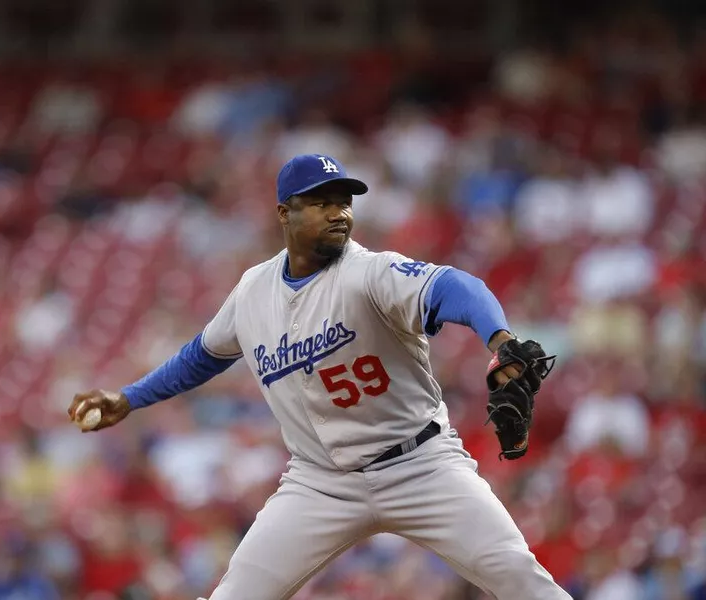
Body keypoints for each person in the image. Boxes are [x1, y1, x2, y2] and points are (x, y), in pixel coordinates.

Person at [68, 154, 572, 599]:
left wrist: (501, 341)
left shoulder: (369, 273)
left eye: (344, 201)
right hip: (320, 483)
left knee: (518, 576)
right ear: (285, 214)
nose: (339, 212)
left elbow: (456, 287)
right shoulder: (253, 290)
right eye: (322, 202)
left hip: (420, 465)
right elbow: (203, 355)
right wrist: (129, 398)